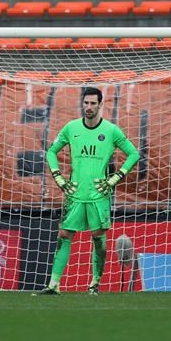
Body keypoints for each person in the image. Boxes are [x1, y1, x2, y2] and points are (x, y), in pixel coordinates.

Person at [35, 87, 140, 295]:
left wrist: (115, 179)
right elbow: (51, 152)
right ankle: (54, 285)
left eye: (93, 103)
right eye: (86, 103)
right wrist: (58, 177)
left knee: (98, 239)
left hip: (99, 194)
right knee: (64, 234)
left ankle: (95, 283)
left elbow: (133, 154)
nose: (89, 107)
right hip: (75, 193)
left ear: (100, 105)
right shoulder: (71, 128)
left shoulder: (111, 131)